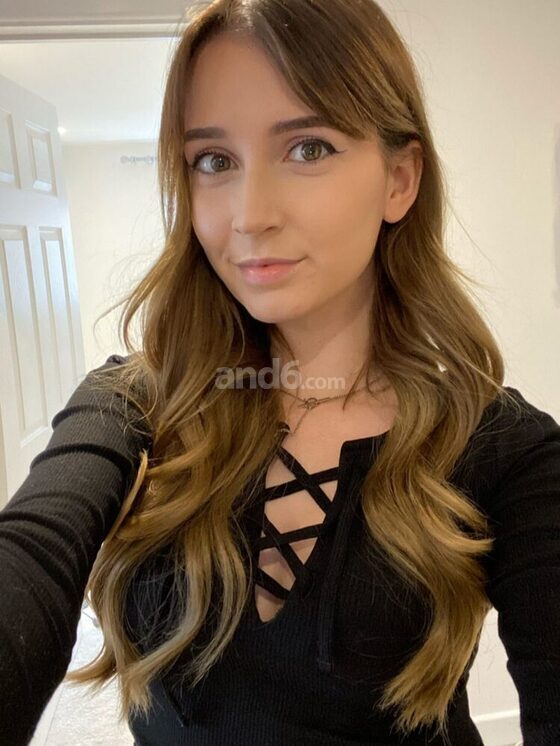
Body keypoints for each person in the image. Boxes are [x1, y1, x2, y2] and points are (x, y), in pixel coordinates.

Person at [1, 0, 559, 744]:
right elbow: (32, 555)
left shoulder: (507, 451)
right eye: (214, 161)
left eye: (308, 148)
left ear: (399, 179)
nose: (249, 214)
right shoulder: (132, 407)